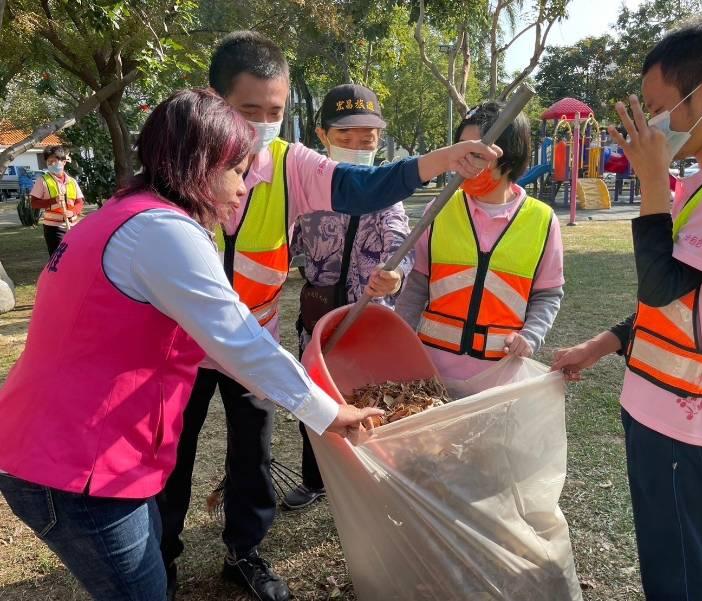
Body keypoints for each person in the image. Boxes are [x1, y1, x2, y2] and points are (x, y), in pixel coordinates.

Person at [0, 88, 387, 601]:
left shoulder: (126, 212)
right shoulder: (164, 232)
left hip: (64, 451)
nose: (244, 189)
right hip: (79, 469)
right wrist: (330, 412)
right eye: (237, 171)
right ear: (197, 165)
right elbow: (240, 341)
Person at [156, 31, 500, 601]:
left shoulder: (290, 164)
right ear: (213, 104)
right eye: (249, 111)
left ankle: (243, 553)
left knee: (254, 456)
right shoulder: (176, 170)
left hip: (253, 346)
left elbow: (363, 187)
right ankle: (159, 563)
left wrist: (442, 159)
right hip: (179, 351)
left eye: (276, 112)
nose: (262, 126)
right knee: (169, 457)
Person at [551, 18, 702, 601]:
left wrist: (653, 180)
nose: (653, 127)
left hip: (685, 409)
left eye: (659, 108)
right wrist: (599, 347)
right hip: (657, 401)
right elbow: (675, 305)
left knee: (685, 576)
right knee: (666, 559)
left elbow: (659, 284)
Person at [282, 83, 413, 511]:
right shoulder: (305, 191)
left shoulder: (385, 193)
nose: (357, 147)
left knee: (369, 403)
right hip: (319, 324)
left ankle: (371, 480)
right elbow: (285, 241)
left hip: (368, 325)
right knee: (314, 402)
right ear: (322, 136)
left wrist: (393, 276)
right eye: (345, 138)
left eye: (367, 139)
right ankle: (316, 478)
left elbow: (399, 241)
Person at [396, 101, 564, 382]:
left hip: (499, 375)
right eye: (461, 148)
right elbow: (415, 285)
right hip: (433, 372)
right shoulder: (439, 210)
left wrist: (531, 336)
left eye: (477, 151)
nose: (464, 160)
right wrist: (399, 342)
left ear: (509, 156)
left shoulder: (543, 221)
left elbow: (547, 294)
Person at [30, 145, 85, 255]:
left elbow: (80, 202)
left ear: (63, 162)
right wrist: (52, 200)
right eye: (48, 162)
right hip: (54, 228)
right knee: (58, 259)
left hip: (73, 226)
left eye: (54, 161)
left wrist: (73, 211)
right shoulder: (42, 181)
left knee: (75, 256)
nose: (51, 164)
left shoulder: (72, 181)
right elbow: (34, 203)